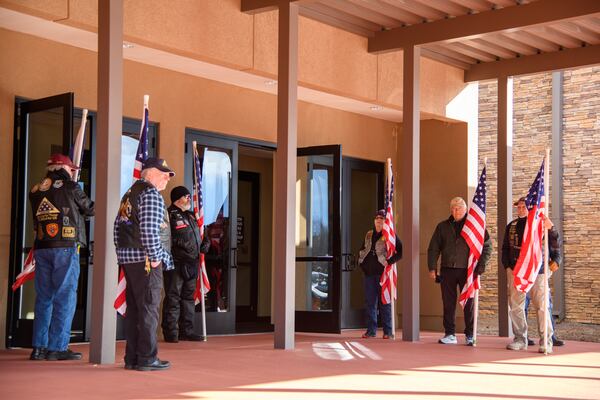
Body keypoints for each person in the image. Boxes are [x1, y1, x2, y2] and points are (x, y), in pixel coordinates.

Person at [29, 154, 94, 361]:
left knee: (44, 297)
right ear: (62, 167)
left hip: (42, 246)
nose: (73, 172)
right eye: (71, 169)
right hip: (65, 246)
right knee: (65, 296)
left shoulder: (36, 189)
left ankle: (38, 348)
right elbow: (91, 209)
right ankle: (57, 347)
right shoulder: (71, 187)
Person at [114, 157, 175, 371]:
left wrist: (121, 255)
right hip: (147, 261)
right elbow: (150, 231)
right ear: (149, 172)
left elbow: (117, 228)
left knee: (135, 311)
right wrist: (157, 256)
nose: (167, 178)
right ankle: (147, 358)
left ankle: (133, 358)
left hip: (130, 260)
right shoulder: (150, 194)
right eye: (163, 173)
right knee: (148, 309)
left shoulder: (129, 195)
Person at [427, 197, 492, 346]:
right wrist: (432, 267)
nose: (455, 211)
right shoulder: (442, 226)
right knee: (448, 303)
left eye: (458, 208)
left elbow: (487, 246)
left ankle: (470, 334)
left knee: (469, 303)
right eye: (453, 208)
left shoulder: (473, 226)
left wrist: (480, 267)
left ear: (465, 209)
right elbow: (433, 248)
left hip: (467, 271)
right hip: (447, 270)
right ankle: (450, 334)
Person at [502, 197, 562, 353]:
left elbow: (555, 244)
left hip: (538, 271)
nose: (521, 209)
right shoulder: (511, 226)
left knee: (542, 306)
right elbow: (505, 249)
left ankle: (546, 341)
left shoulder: (541, 225)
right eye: (519, 207)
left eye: (524, 207)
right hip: (517, 271)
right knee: (516, 307)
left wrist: (556, 260)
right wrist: (507, 267)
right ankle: (520, 339)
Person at [162, 186, 210, 342]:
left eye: (189, 196)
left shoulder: (191, 216)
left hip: (192, 262)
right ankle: (171, 332)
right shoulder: (169, 215)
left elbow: (200, 235)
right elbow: (165, 237)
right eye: (186, 196)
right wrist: (184, 246)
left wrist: (205, 244)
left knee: (188, 298)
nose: (189, 199)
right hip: (176, 263)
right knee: (173, 297)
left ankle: (187, 331)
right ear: (177, 199)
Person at [357, 209, 402, 339]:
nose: (378, 220)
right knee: (370, 303)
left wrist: (390, 261)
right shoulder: (369, 234)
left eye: (381, 218)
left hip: (383, 274)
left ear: (385, 221)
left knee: (385, 301)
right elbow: (363, 248)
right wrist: (361, 262)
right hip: (369, 274)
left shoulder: (389, 235)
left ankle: (387, 331)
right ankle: (371, 330)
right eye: (377, 218)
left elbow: (401, 251)